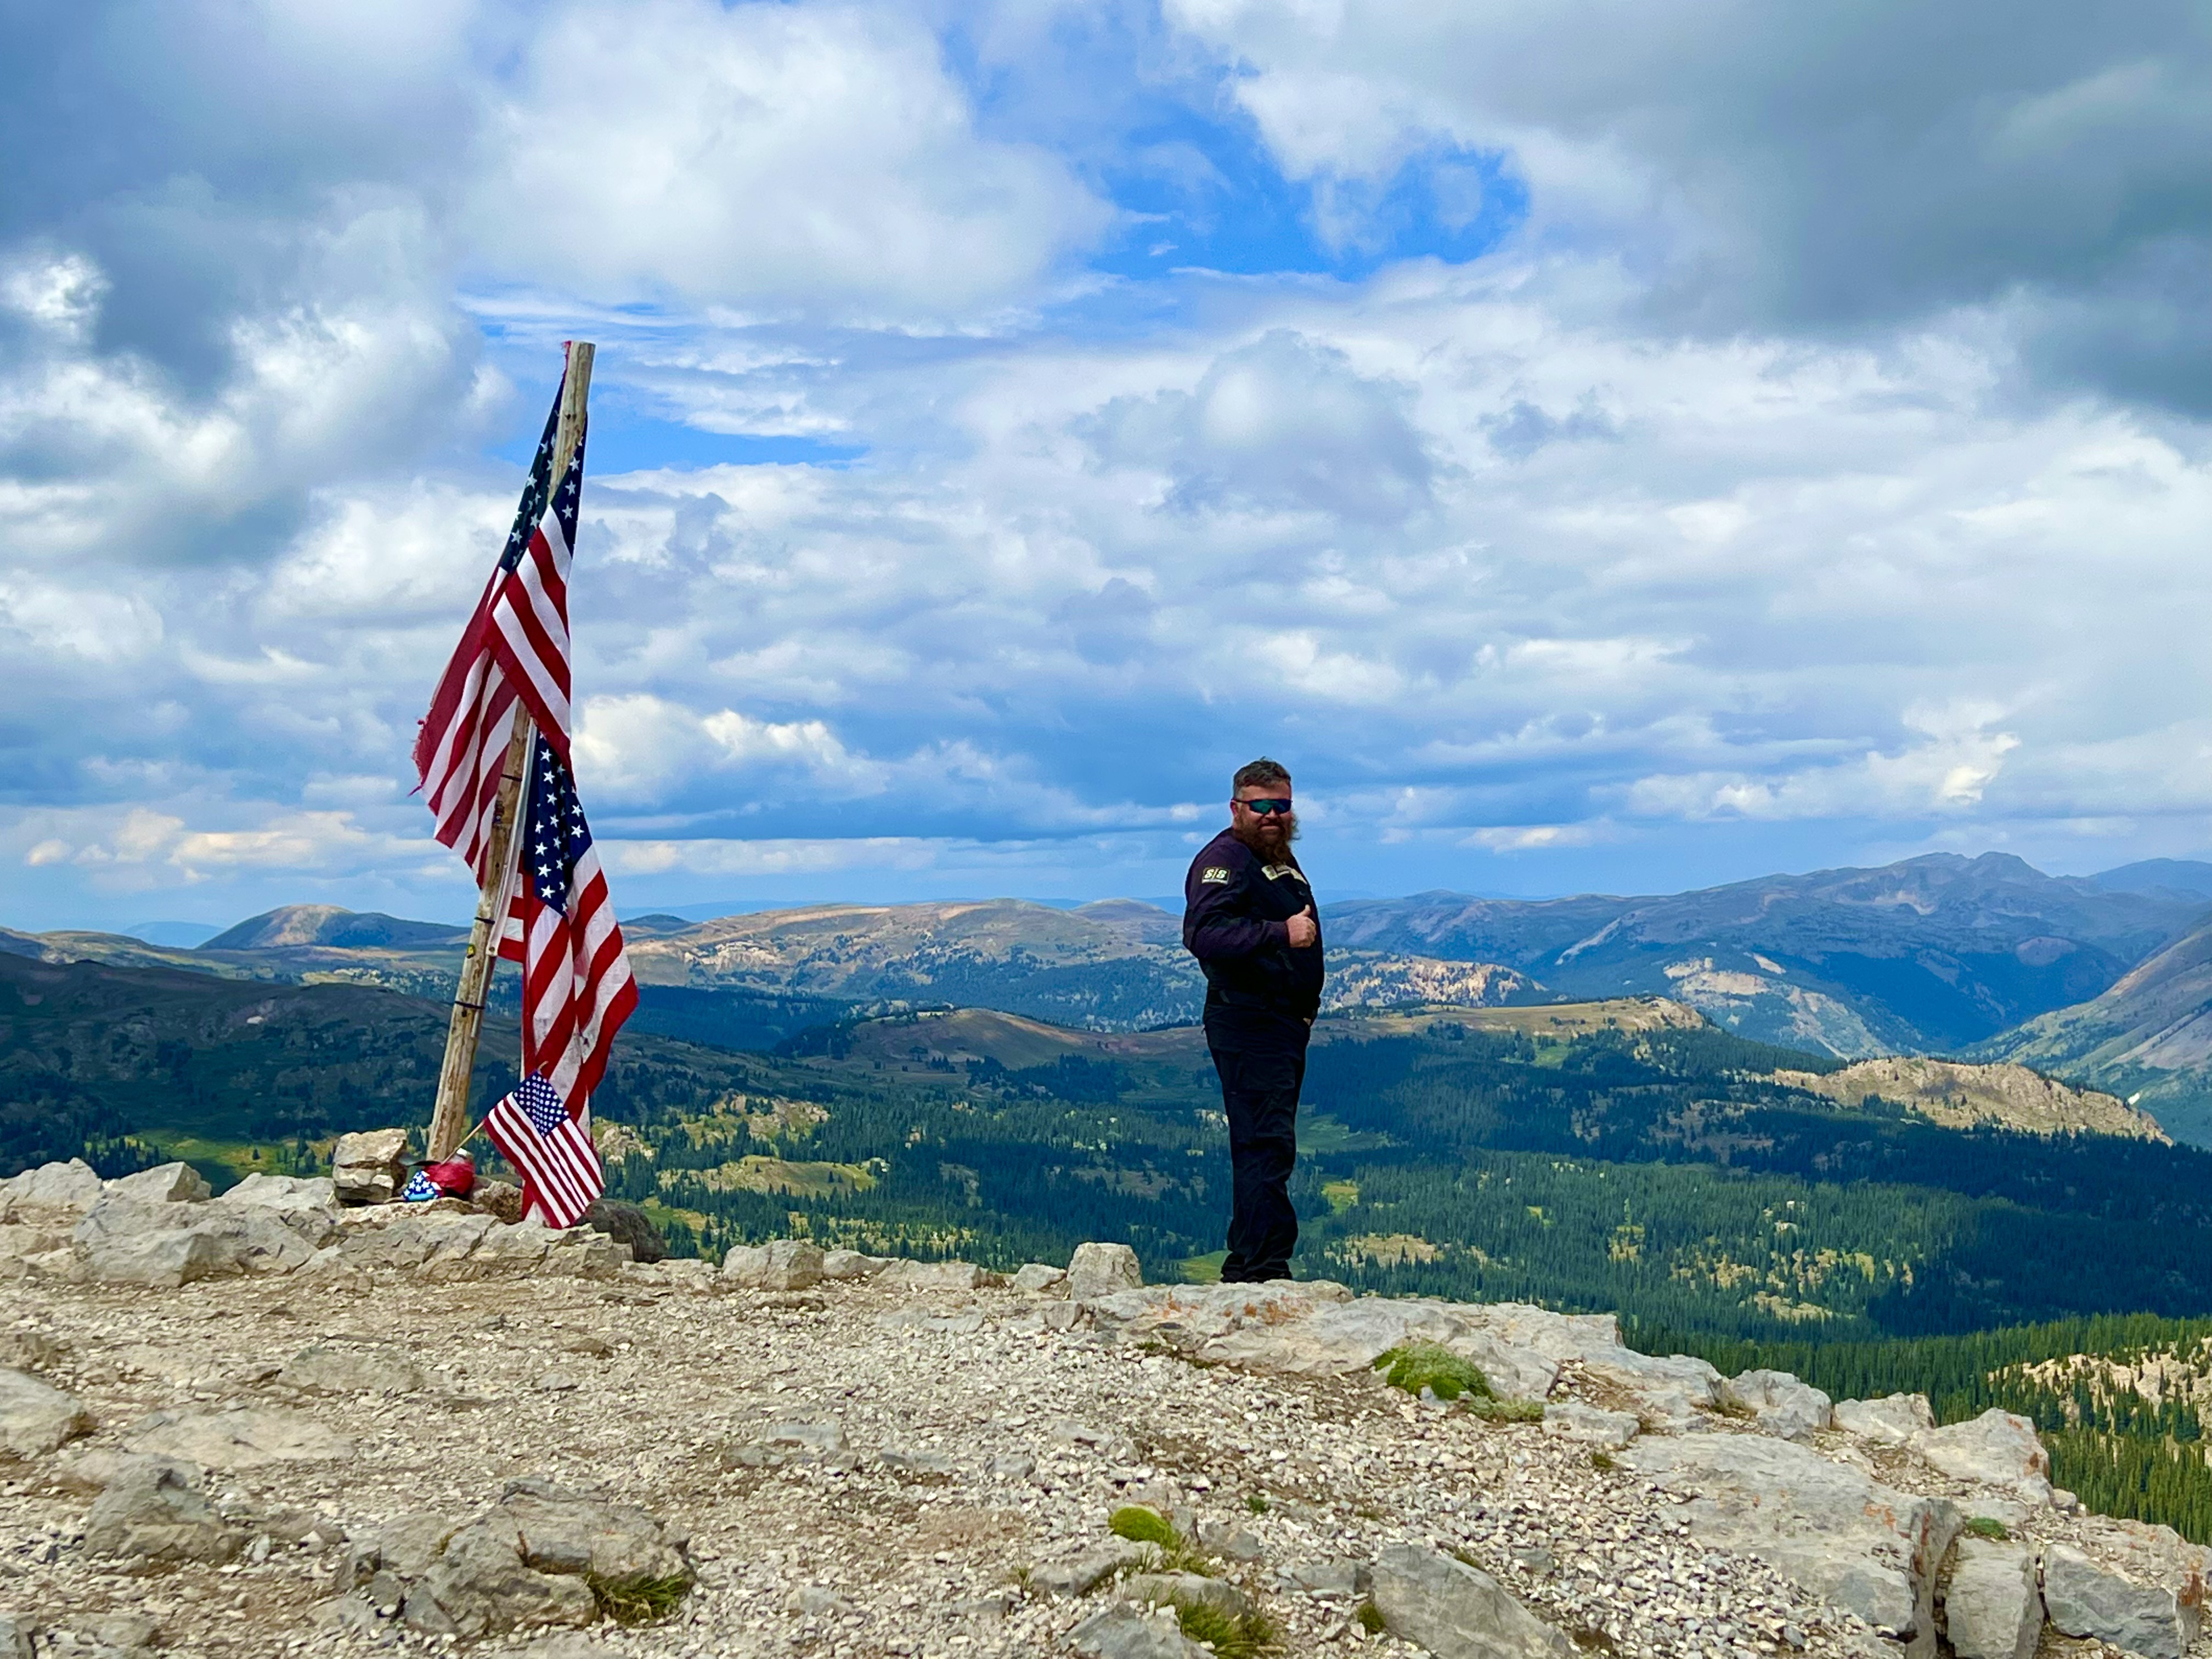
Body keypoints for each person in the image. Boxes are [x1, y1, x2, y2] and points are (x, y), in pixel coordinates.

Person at [1182, 757, 1324, 1283]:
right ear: (1236, 808)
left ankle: (1249, 1263)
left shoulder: (1271, 853)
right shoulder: (1226, 859)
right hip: (1250, 1022)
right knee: (1265, 1143)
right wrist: (1280, 934)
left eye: (1281, 806)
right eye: (1259, 806)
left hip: (1278, 1024)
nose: (1272, 815)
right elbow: (1204, 934)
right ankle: (1263, 1270)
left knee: (1266, 1142)